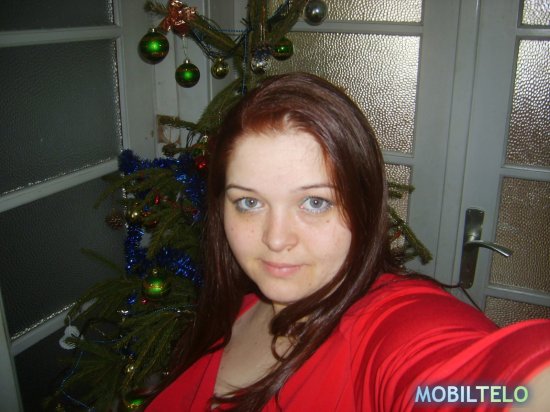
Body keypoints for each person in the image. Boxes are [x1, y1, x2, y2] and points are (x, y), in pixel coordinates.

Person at [145, 72, 550, 411]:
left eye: (315, 202)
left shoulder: (386, 325)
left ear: (364, 207)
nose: (276, 239)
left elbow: (495, 389)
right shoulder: (242, 306)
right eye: (249, 202)